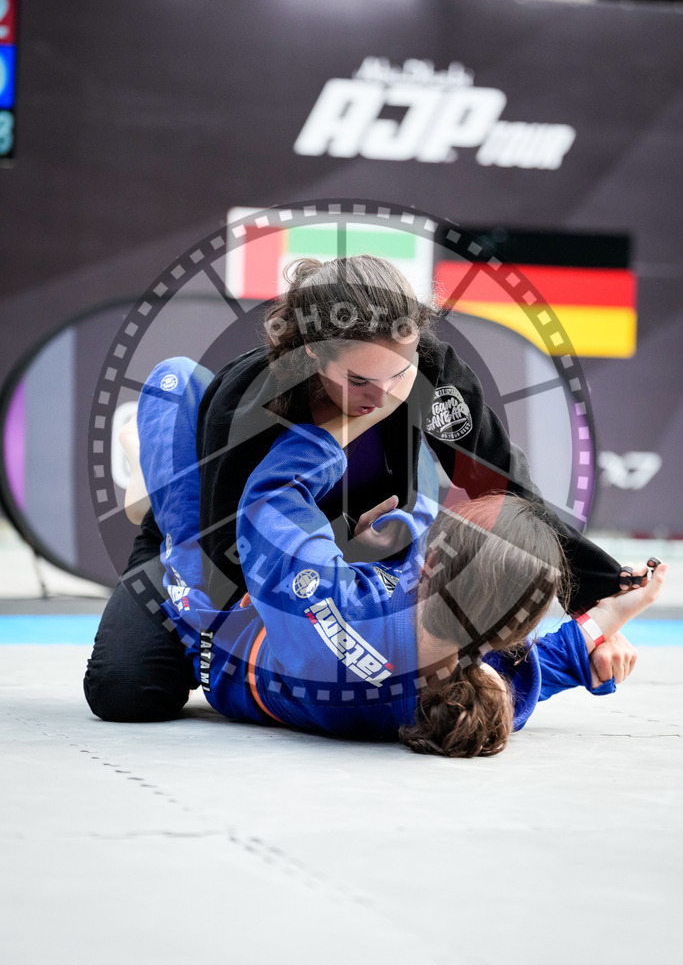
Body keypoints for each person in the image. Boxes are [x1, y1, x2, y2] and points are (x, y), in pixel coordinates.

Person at [84, 255, 643, 723]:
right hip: (218, 537)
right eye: (359, 381)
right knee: (126, 692)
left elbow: (507, 492)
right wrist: (333, 573)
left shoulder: (434, 374)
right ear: (312, 355)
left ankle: (155, 467)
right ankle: (155, 472)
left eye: (399, 373)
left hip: (363, 542)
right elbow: (222, 565)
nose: (383, 395)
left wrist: (595, 601)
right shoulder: (248, 404)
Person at [92, 356, 666, 758]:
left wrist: (344, 423)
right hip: (333, 610)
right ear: (506, 637)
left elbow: (270, 499)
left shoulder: (338, 600)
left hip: (219, 615)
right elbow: (547, 665)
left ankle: (147, 489)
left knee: (174, 381)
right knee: (411, 513)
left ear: (432, 565)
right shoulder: (480, 696)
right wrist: (603, 624)